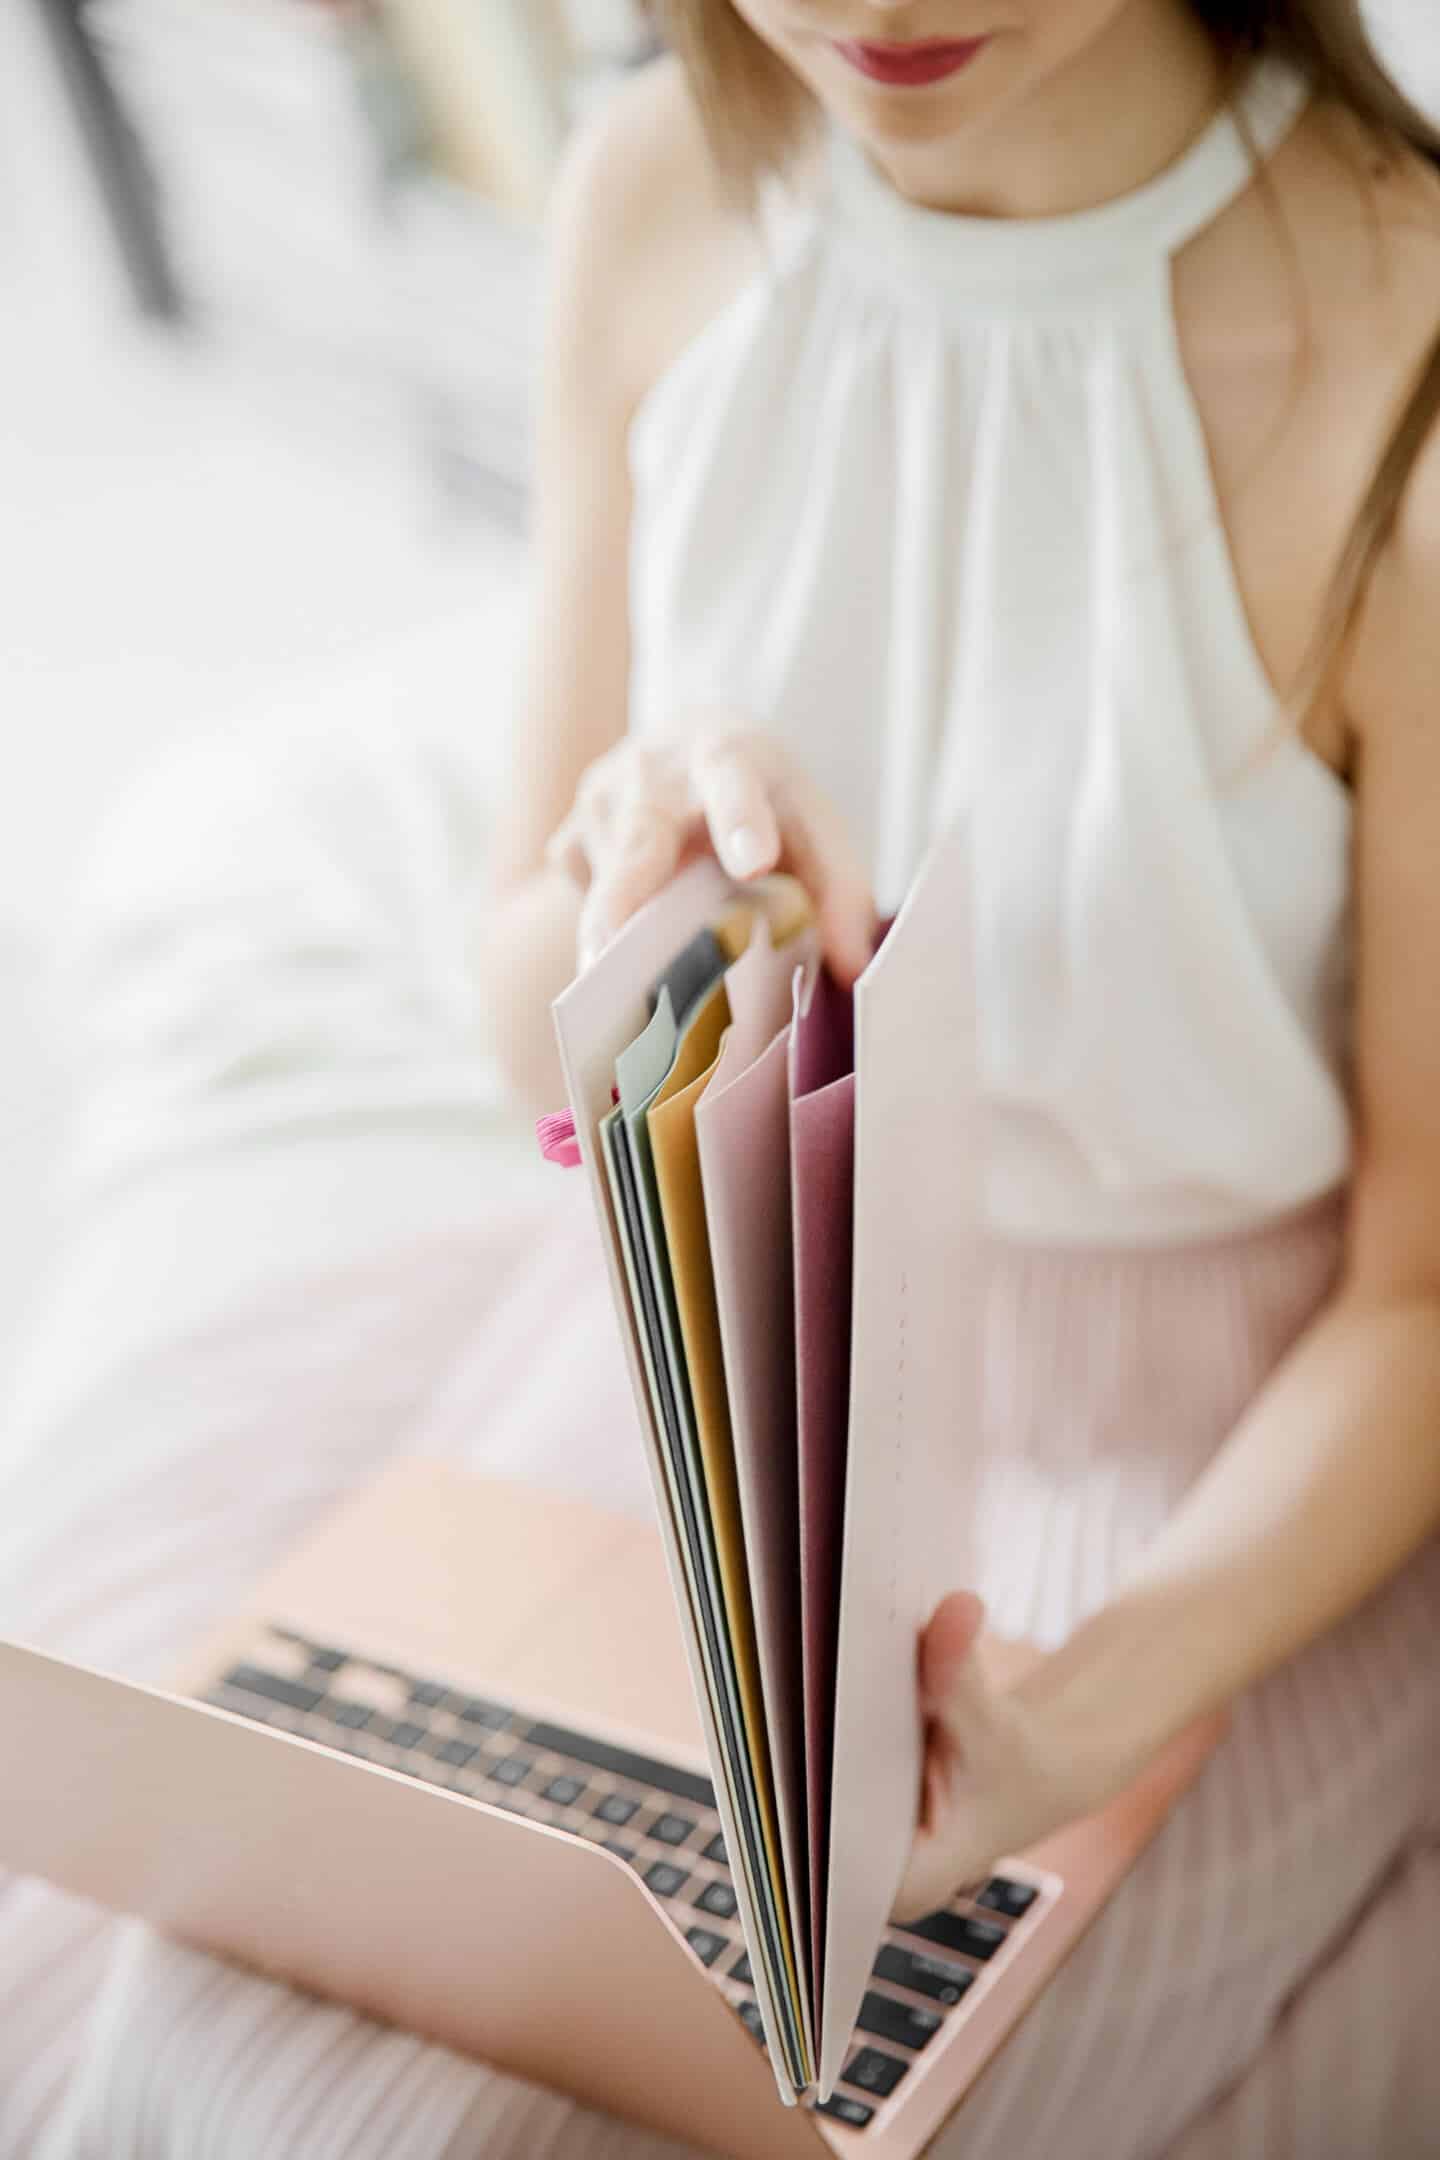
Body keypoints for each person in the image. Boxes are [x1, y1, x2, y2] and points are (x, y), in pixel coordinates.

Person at [2, 3, 1438, 2155]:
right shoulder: (660, 187)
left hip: (1185, 1495)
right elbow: (538, 1067)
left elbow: (1424, 1295)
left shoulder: (1400, 345)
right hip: (697, 1376)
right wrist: (625, 918)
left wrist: (1077, 1724)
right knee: (214, 2054)